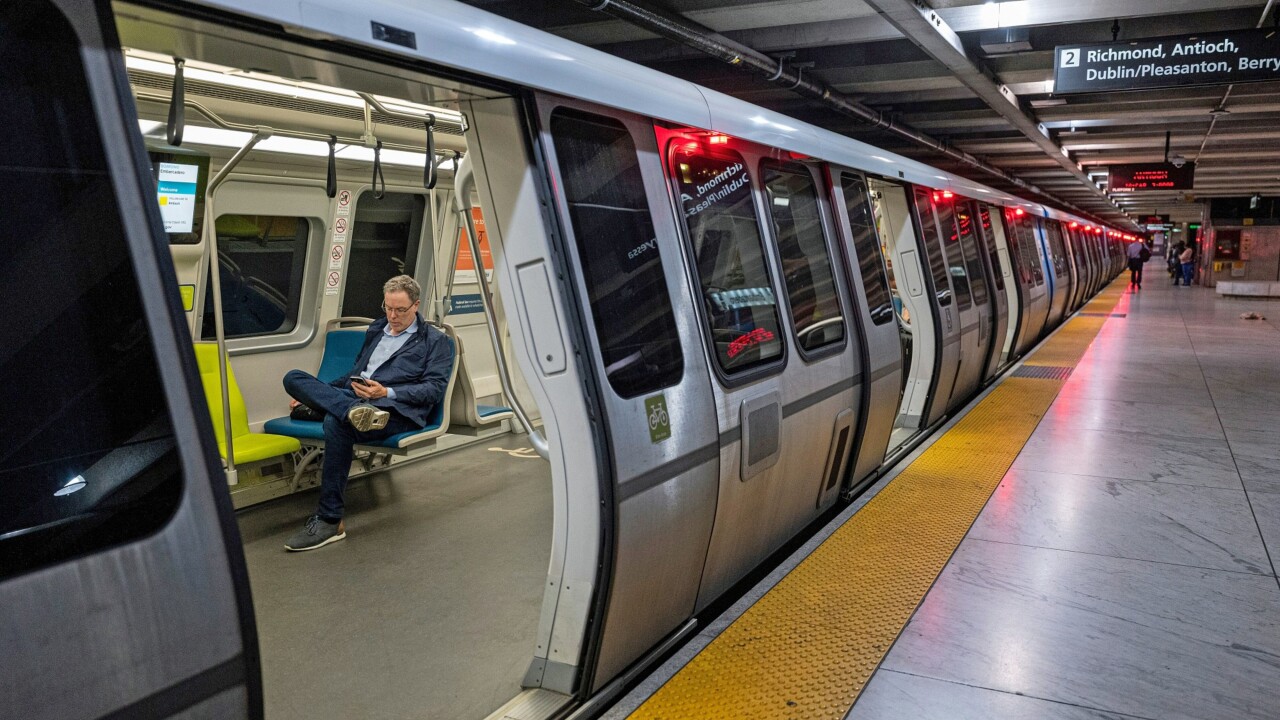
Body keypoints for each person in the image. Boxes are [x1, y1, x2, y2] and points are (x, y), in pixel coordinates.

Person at [282, 275, 452, 551]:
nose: (392, 316)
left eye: (400, 310)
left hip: (394, 410)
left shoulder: (435, 342)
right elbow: (355, 375)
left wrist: (385, 393)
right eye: (388, 308)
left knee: (335, 423)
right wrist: (321, 391)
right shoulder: (377, 328)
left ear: (416, 306)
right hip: (357, 399)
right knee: (293, 379)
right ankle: (347, 409)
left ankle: (329, 521)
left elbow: (433, 390)